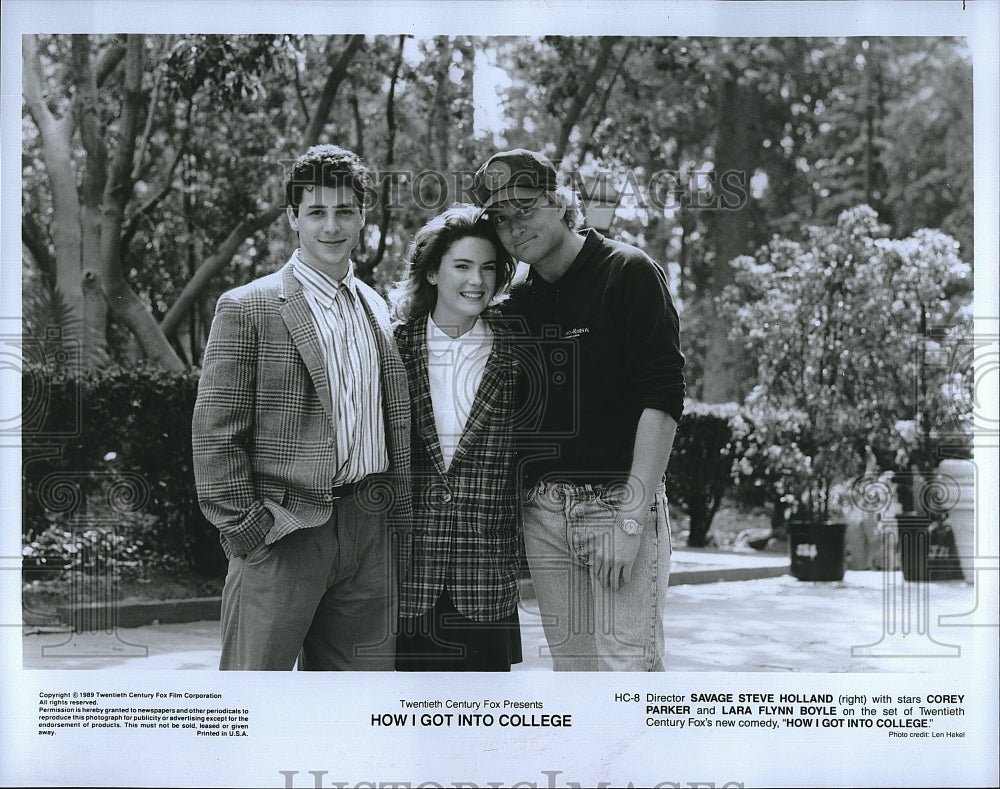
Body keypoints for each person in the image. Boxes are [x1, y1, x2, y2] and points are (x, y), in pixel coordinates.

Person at [192, 144, 411, 671]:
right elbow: (215, 435)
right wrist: (247, 531)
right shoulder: (249, 307)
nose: (331, 227)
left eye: (344, 211)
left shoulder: (378, 308)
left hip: (369, 529)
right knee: (252, 708)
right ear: (293, 217)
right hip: (284, 530)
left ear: (363, 215)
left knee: (360, 715)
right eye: (316, 212)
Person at [472, 149, 685, 671]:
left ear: (558, 200)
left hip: (617, 504)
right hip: (543, 514)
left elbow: (663, 397)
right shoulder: (515, 304)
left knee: (625, 679)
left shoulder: (627, 272)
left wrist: (631, 520)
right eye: (501, 220)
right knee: (576, 681)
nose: (514, 228)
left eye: (525, 209)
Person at [388, 204, 523, 671]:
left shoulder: (520, 348)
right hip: (404, 578)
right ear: (430, 273)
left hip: (485, 578)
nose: (477, 281)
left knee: (482, 735)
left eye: (488, 268)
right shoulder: (392, 347)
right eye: (462, 266)